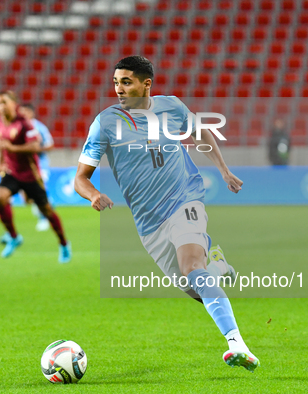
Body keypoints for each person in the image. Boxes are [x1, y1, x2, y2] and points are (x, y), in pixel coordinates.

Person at [74, 56, 259, 371]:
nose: (118, 89)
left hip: (185, 200)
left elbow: (201, 133)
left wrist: (224, 171)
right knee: (197, 289)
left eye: (126, 82)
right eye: (116, 82)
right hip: (149, 224)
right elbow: (80, 178)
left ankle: (237, 344)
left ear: (146, 84)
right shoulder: (105, 123)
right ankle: (216, 266)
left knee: (192, 269)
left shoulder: (171, 107)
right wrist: (93, 195)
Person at [0, 91, 71, 263]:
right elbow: (3, 142)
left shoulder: (25, 124)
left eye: (4, 102)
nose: (1, 106)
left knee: (46, 210)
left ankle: (64, 243)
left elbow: (34, 146)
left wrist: (12, 149)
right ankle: (13, 236)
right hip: (12, 173)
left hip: (30, 175)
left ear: (14, 103)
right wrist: (1, 161)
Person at [18, 103, 54, 232]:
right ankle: (48, 205)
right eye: (21, 112)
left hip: (40, 165)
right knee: (27, 198)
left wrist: (37, 149)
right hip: (23, 167)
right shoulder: (17, 127)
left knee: (38, 191)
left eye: (25, 112)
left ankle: (44, 219)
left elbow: (50, 145)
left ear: (31, 113)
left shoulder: (39, 127)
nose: (23, 115)